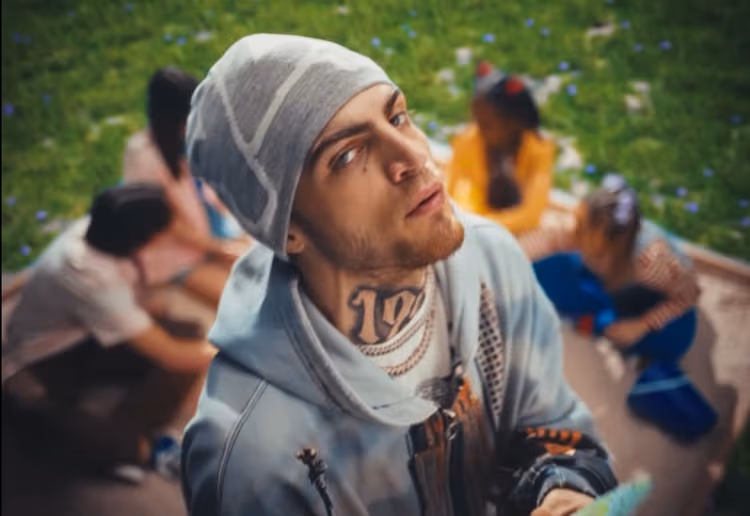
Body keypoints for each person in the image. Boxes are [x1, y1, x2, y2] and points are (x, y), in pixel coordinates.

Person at [181, 34, 616, 516]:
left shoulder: (492, 259)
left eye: (397, 117)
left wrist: (563, 488)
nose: (412, 156)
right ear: (288, 231)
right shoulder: (251, 459)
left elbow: (552, 423)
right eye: (347, 156)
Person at [2, 184, 217, 481]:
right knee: (46, 422)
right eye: (163, 228)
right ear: (142, 237)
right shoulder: (92, 279)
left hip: (82, 335)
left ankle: (133, 431)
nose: (170, 231)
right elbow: (173, 355)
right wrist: (237, 348)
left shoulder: (93, 228)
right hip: (37, 363)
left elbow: (34, 274)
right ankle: (139, 449)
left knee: (188, 334)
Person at [520, 174, 701, 364]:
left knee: (658, 340)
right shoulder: (590, 233)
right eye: (578, 220)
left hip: (655, 302)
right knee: (549, 273)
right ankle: (595, 316)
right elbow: (545, 242)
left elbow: (690, 294)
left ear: (610, 244)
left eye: (583, 228)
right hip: (617, 282)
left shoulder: (650, 263)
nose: (574, 231)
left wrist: (641, 326)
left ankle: (601, 322)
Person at [122, 67, 248, 308]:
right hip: (176, 252)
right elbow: (162, 222)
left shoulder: (195, 137)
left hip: (217, 230)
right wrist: (220, 249)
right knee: (244, 306)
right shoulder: (145, 157)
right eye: (188, 116)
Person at [447, 61, 555, 235]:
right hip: (476, 229)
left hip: (508, 232)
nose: (479, 130)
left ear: (513, 124)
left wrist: (483, 226)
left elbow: (531, 215)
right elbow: (453, 197)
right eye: (477, 121)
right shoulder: (467, 141)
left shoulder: (538, 149)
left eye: (487, 124)